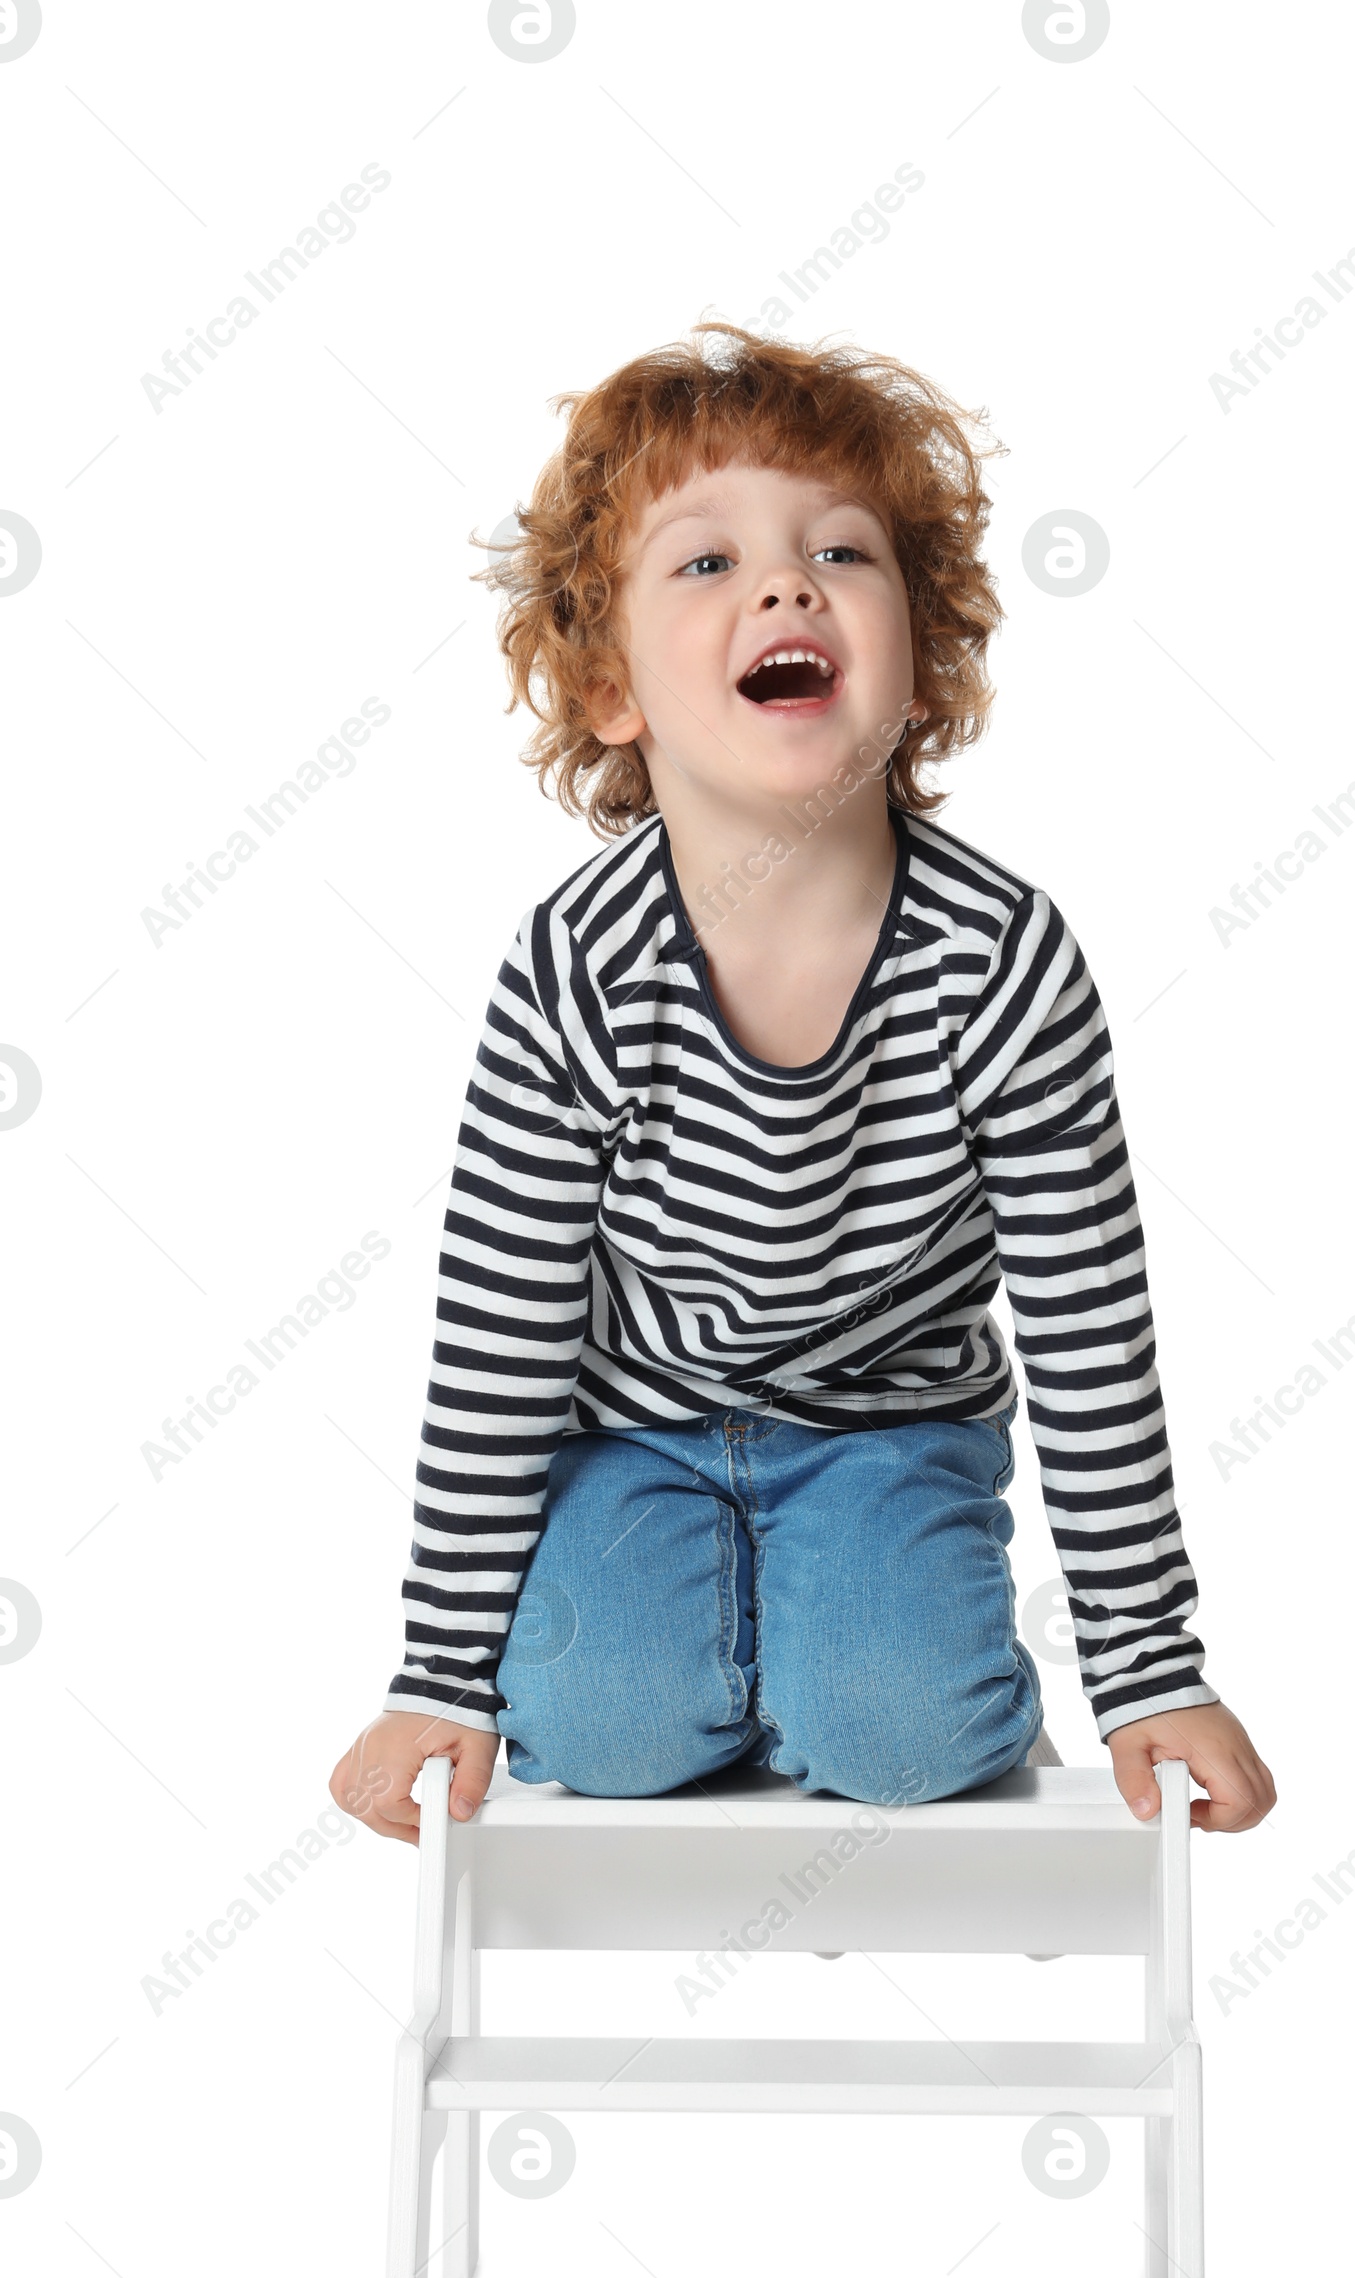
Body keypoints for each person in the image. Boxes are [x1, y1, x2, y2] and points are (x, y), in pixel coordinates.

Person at [329, 324, 1275, 1846]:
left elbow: (1091, 1327)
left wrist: (1150, 1673)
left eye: (841, 551)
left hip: (889, 1431)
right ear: (612, 691)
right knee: (600, 1727)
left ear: (922, 660)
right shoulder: (580, 965)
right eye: (706, 566)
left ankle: (851, 1642)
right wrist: (439, 1673)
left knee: (907, 1736)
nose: (786, 585)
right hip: (631, 1427)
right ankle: (728, 1646)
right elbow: (498, 1322)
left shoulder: (1003, 961)